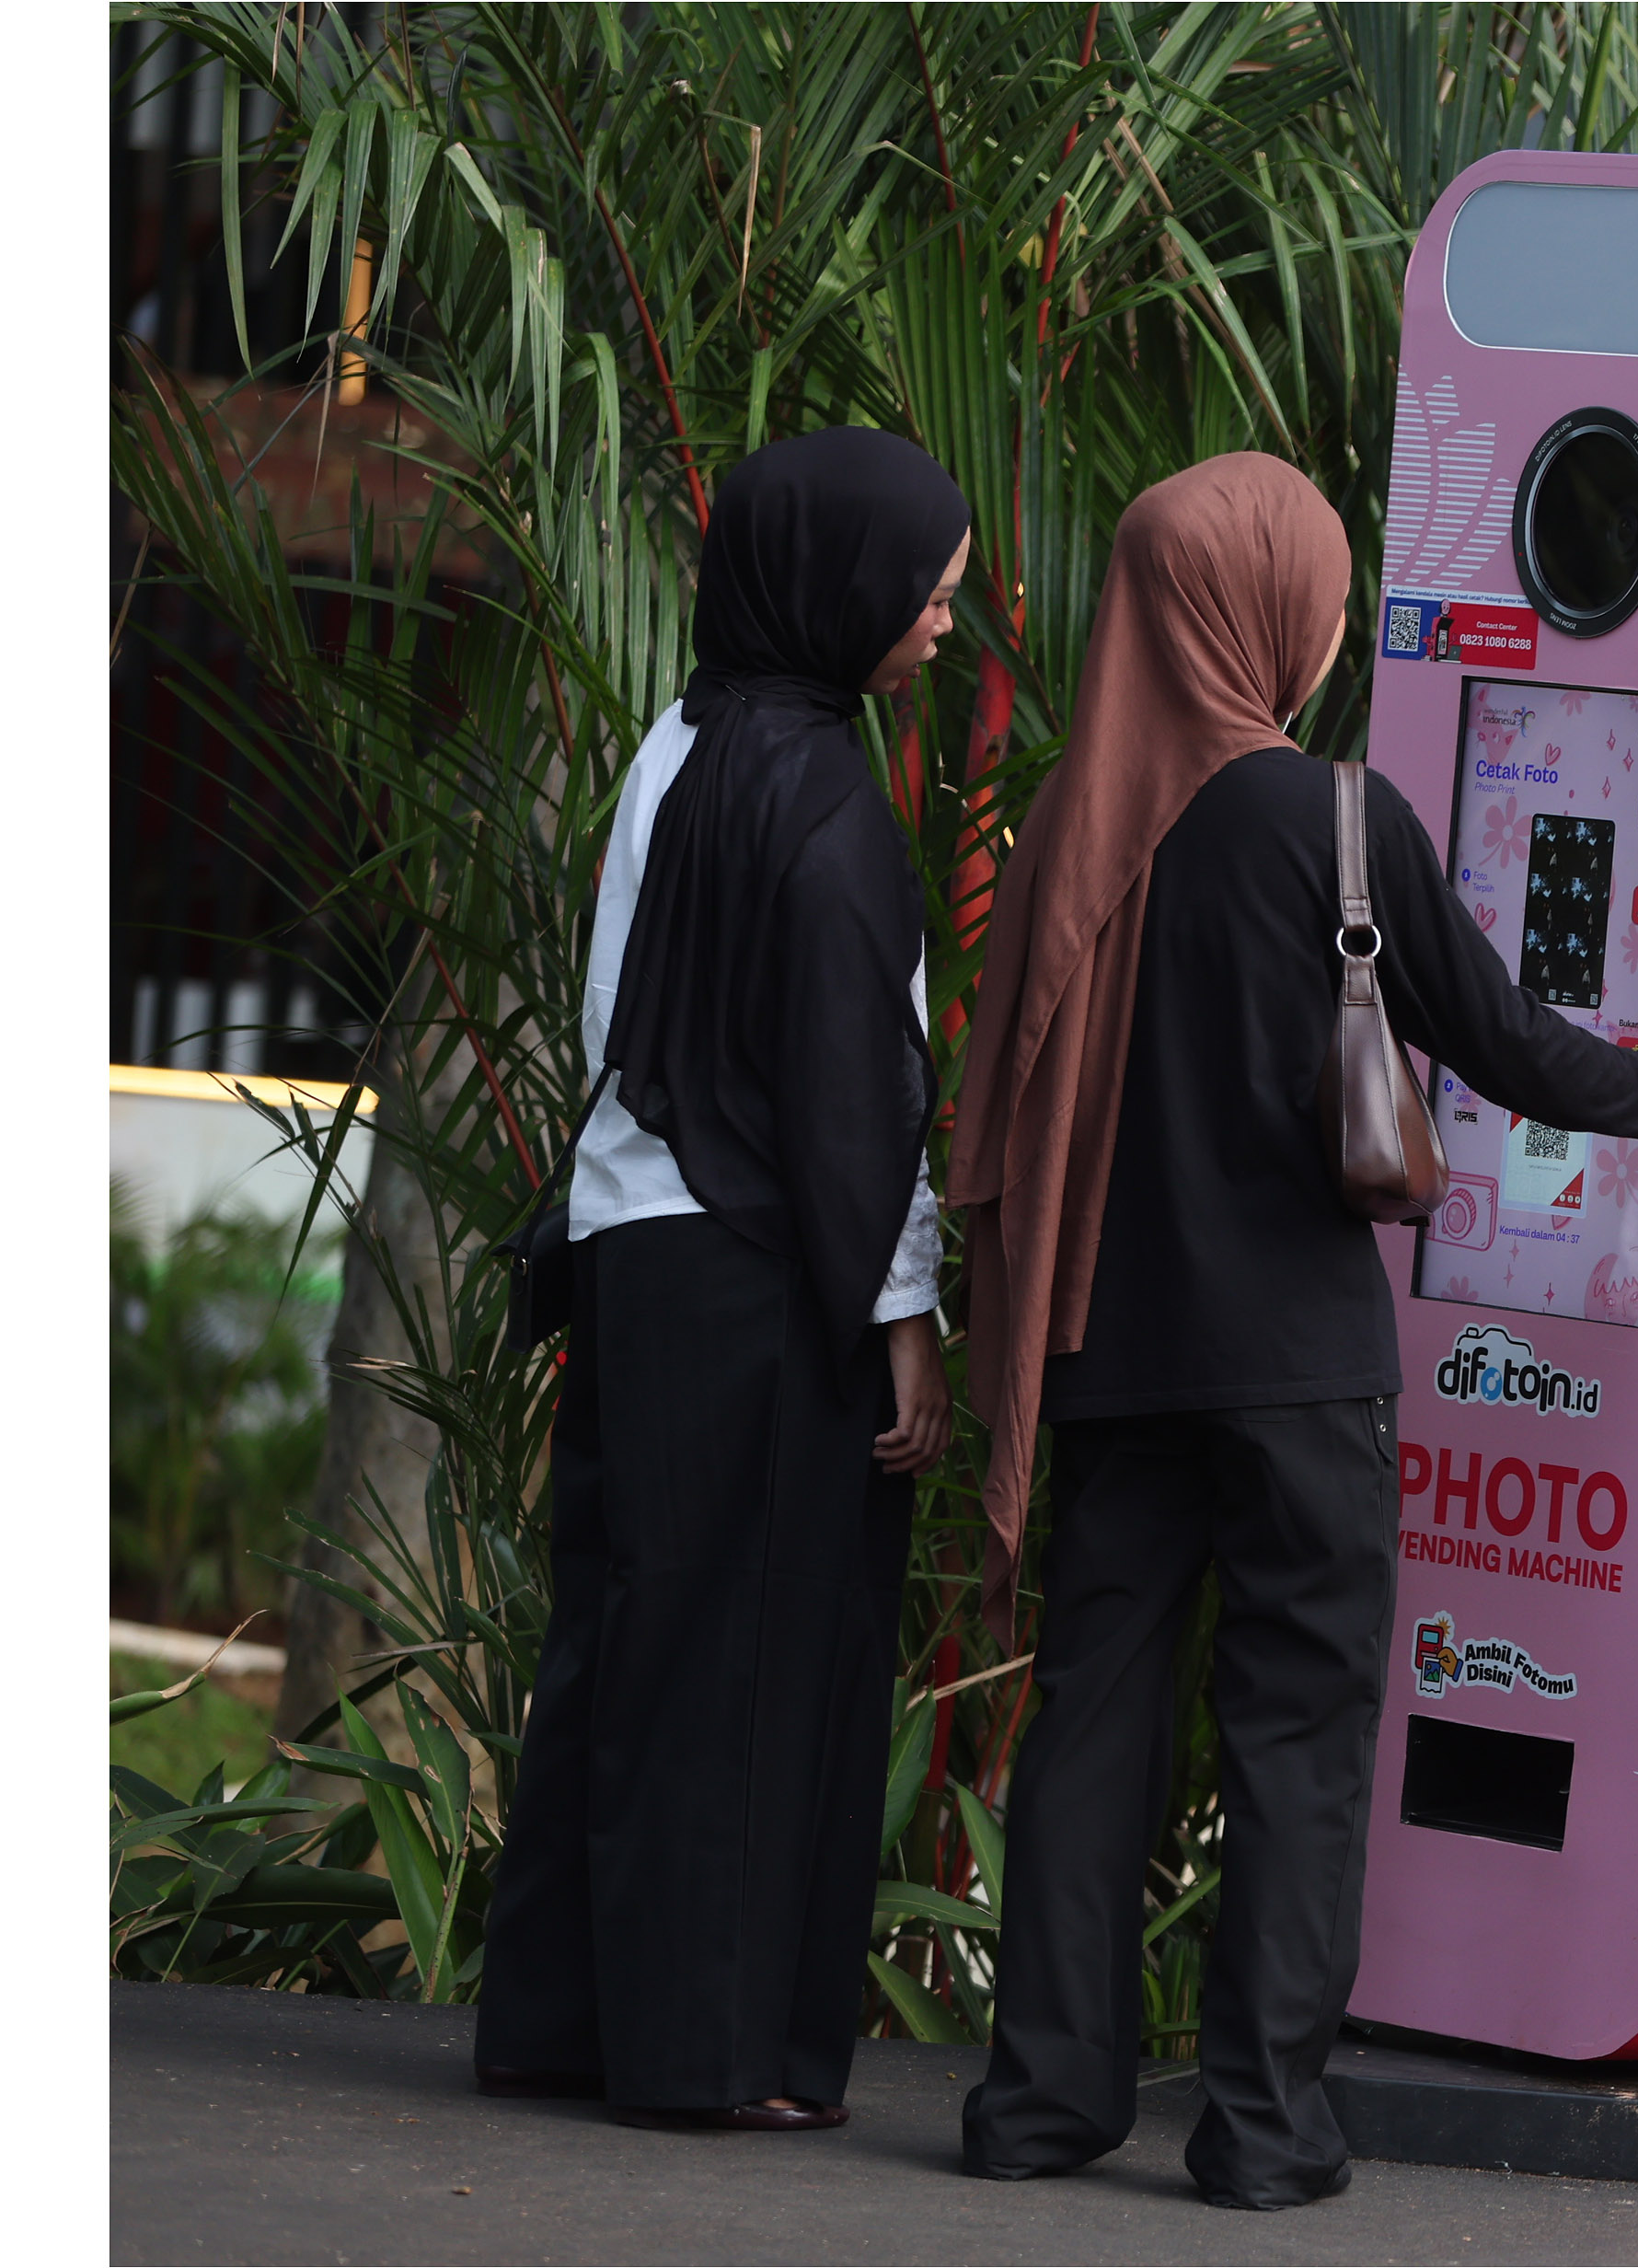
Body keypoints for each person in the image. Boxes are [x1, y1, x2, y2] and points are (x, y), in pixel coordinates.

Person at [943, 455, 1638, 2209]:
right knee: (1297, 1735)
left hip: (1109, 1355)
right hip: (1297, 1372)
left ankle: (1039, 2099)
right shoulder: (1333, 821)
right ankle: (1260, 2126)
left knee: (1090, 1724)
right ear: (1271, 613)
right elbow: (1501, 1042)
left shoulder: (1070, 829)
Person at [471, 428, 971, 2130]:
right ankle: (712, 2057)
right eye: (926, 593)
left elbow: (614, 1020)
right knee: (752, 1661)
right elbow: (858, 1099)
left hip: (630, 1250)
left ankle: (562, 2022)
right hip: (763, 1275)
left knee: (626, 1637)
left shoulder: (675, 744)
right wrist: (904, 1315)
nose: (941, 625)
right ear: (839, 586)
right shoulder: (824, 796)